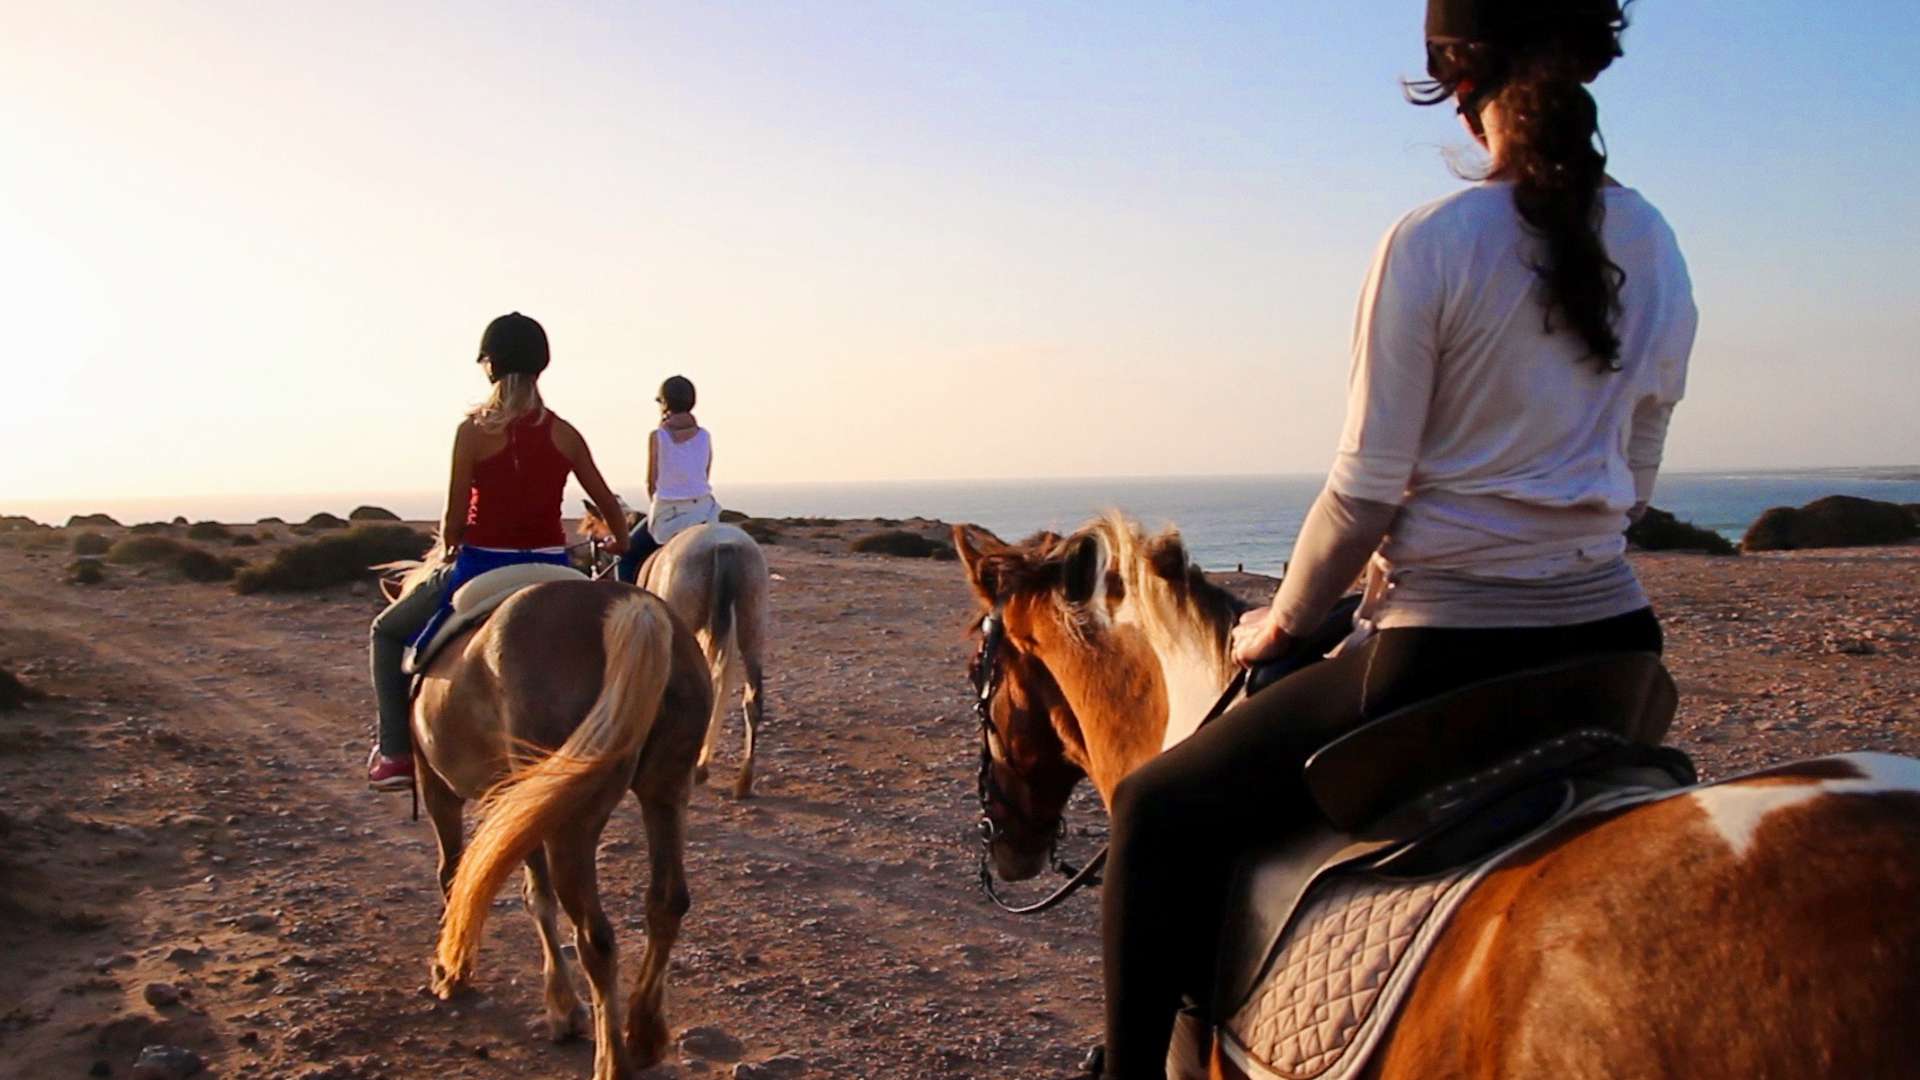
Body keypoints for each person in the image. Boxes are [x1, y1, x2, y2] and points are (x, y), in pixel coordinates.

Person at [1091, 2, 1697, 1074]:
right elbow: (1638, 472)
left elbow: (1365, 491)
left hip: (1443, 656)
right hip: (1615, 645)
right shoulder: (1655, 238)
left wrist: (1281, 621)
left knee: (1154, 808)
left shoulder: (1430, 243)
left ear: (1462, 98)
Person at [366, 312, 631, 792]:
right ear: (541, 366)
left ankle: (396, 753)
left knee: (386, 632)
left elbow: (452, 521)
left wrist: (450, 546)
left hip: (481, 566)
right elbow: (610, 505)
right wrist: (621, 542)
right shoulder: (564, 432)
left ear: (489, 366)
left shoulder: (471, 432)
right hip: (553, 567)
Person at [615, 375, 720, 583]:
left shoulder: (657, 436)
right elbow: (704, 474)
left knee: (626, 557)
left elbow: (651, 483)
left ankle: (631, 608)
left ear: (664, 403)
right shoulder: (705, 435)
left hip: (668, 513)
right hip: (703, 511)